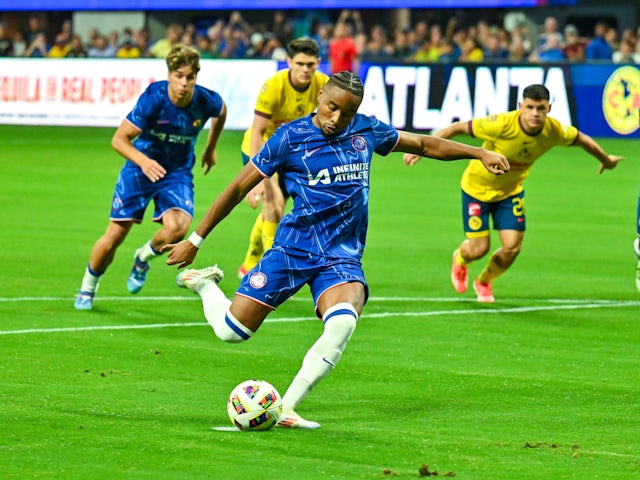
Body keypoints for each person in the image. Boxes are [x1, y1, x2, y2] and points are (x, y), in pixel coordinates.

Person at [160, 71, 510, 428]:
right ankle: (204, 284)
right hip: (294, 250)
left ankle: (286, 408)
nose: (337, 119)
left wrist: (478, 152)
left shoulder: (366, 130)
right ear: (320, 97)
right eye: (332, 108)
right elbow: (236, 188)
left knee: (343, 322)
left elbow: (423, 145)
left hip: (341, 257)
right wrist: (195, 240)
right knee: (231, 331)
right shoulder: (289, 138)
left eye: (347, 112)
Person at [404, 84, 623, 303]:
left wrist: (605, 160)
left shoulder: (554, 130)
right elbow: (459, 127)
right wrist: (421, 150)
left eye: (540, 108)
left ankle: (484, 281)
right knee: (479, 249)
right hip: (477, 189)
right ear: (520, 106)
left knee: (512, 248)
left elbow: (582, 139)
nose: (535, 114)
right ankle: (460, 259)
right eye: (530, 107)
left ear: (549, 108)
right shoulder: (501, 124)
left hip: (510, 192)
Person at [74, 44, 227, 310]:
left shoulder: (204, 100)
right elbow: (119, 139)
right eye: (179, 76)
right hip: (139, 168)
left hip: (176, 172)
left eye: (190, 77)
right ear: (169, 75)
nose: (184, 83)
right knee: (115, 235)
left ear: (196, 78)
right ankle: (87, 288)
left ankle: (142, 257)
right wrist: (144, 162)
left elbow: (221, 111)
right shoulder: (154, 98)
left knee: (178, 227)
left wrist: (211, 147)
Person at [237, 37, 329, 279]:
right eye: (300, 63)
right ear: (289, 61)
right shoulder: (273, 87)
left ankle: (251, 259)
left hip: (292, 154)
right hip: (261, 150)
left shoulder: (323, 86)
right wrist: (258, 177)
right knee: (272, 204)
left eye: (310, 64)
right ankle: (271, 271)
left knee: (276, 209)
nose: (305, 69)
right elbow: (257, 131)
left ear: (318, 63)